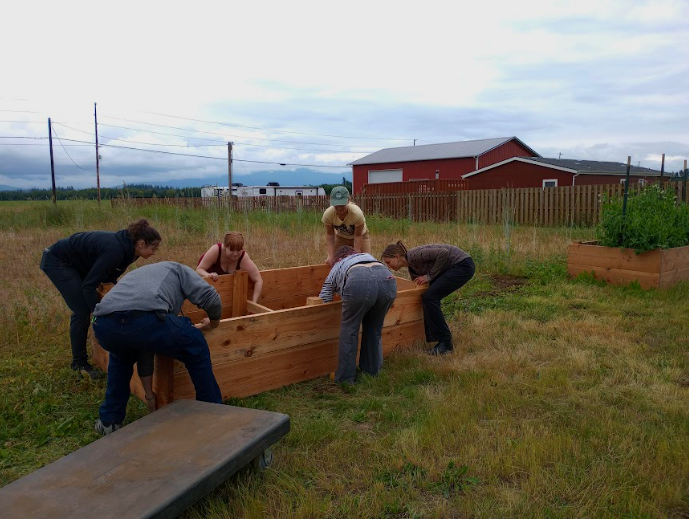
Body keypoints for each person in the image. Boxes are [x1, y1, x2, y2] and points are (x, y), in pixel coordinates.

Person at [92, 261, 223, 435]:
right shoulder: (180, 270)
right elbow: (212, 298)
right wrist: (213, 324)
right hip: (143, 320)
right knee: (195, 344)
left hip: (104, 325)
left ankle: (109, 421)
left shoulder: (140, 278)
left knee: (121, 358)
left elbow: (144, 345)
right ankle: (211, 411)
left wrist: (150, 396)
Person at [40, 218, 161, 379]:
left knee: (91, 303)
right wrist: (98, 314)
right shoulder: (115, 250)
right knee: (81, 311)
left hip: (77, 264)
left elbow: (109, 279)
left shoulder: (131, 252)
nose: (155, 252)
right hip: (58, 260)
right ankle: (79, 363)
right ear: (141, 243)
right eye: (154, 248)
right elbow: (89, 285)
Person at [319, 246, 397, 384]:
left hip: (359, 282)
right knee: (374, 328)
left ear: (339, 259)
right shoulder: (367, 256)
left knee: (349, 332)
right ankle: (372, 372)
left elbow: (325, 296)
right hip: (388, 279)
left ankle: (345, 379)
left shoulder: (338, 265)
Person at [382, 241, 475, 356]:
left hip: (462, 265)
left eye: (388, 262)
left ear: (396, 257)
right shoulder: (412, 267)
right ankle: (437, 338)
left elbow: (443, 253)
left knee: (430, 297)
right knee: (429, 296)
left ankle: (445, 343)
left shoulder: (415, 255)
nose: (388, 266)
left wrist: (429, 276)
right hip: (455, 267)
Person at [196, 231, 264, 303]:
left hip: (227, 297)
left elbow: (258, 280)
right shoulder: (215, 250)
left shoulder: (243, 258)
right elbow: (199, 269)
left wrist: (254, 302)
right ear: (225, 246)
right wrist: (208, 275)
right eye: (231, 250)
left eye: (238, 250)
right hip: (207, 292)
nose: (235, 254)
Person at [322, 186, 371, 266]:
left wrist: (356, 255)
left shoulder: (357, 213)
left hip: (361, 235)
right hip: (341, 237)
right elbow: (330, 235)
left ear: (348, 200)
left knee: (365, 262)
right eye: (336, 205)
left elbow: (358, 235)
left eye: (342, 205)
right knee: (333, 261)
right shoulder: (328, 214)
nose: (339, 208)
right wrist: (330, 255)